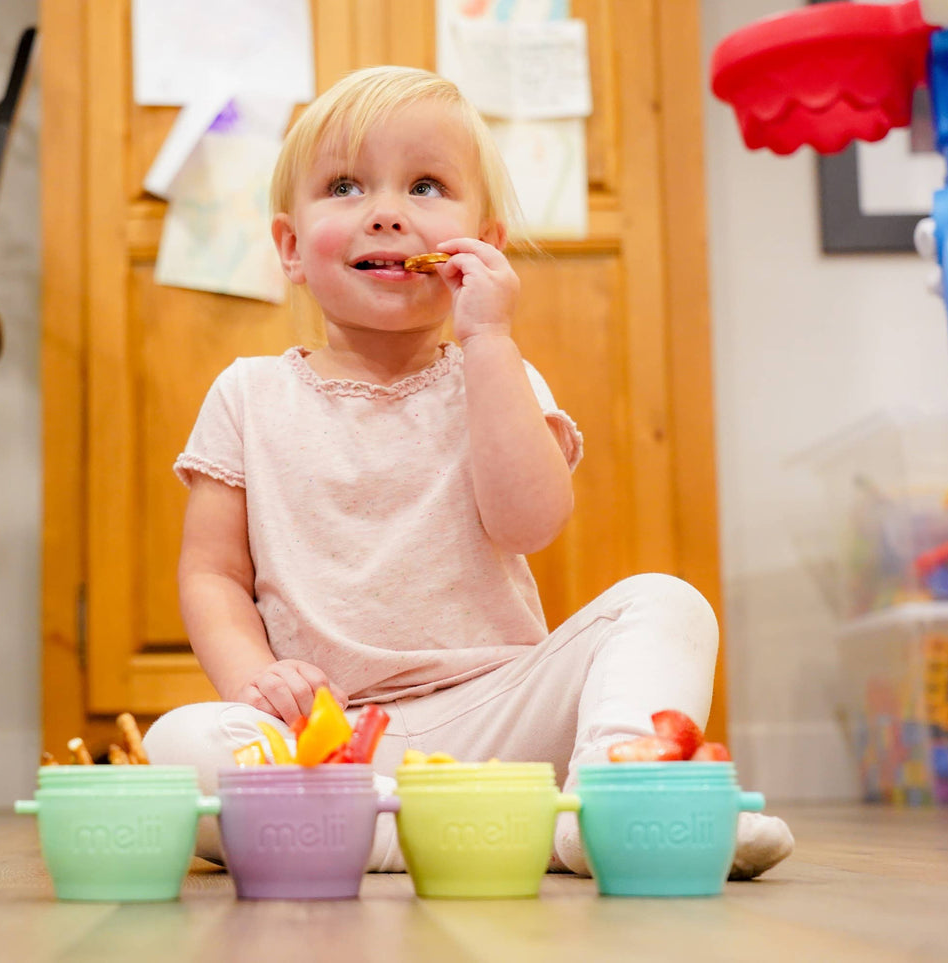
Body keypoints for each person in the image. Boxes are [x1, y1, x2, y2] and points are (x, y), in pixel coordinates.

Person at [143, 65, 793, 879]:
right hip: (333, 739)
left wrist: (490, 341)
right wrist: (254, 677)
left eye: (424, 186)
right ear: (290, 248)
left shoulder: (499, 376)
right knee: (179, 744)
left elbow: (529, 523)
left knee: (667, 602)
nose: (386, 212)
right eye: (345, 186)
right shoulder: (246, 393)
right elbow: (211, 574)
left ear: (481, 243)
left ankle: (610, 798)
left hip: (503, 722)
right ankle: (513, 831)